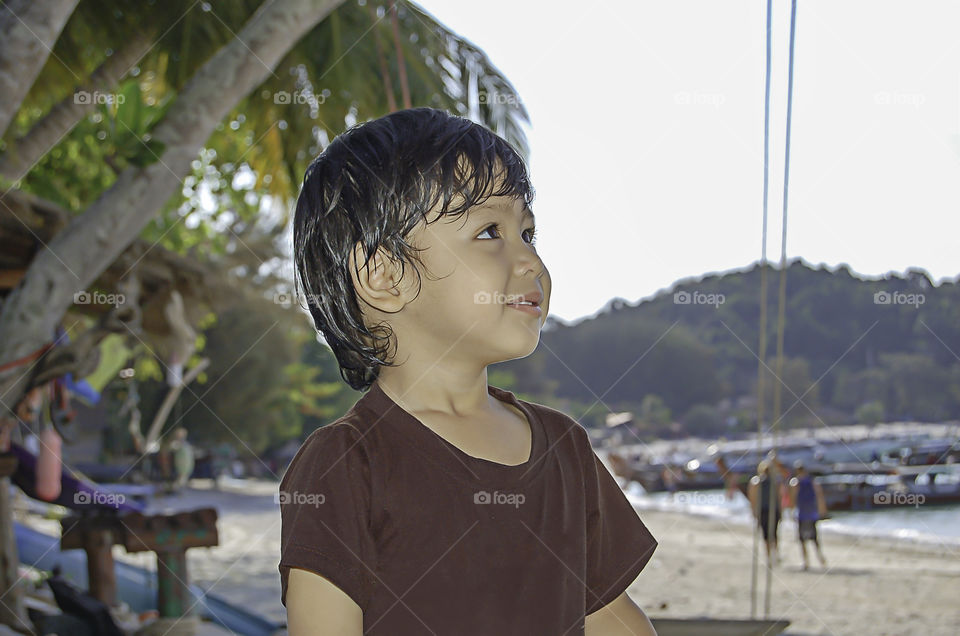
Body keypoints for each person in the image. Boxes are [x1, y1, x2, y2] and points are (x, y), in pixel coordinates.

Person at [279, 108, 658, 635]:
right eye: (489, 232)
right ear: (384, 275)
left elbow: (610, 617)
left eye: (528, 232)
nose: (530, 261)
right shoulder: (347, 465)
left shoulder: (562, 447)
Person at [789, 460, 828, 570]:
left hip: (803, 513)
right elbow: (819, 496)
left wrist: (792, 511)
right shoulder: (812, 482)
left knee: (803, 540)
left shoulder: (795, 482)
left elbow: (792, 498)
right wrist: (822, 510)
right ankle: (820, 559)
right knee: (815, 539)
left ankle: (806, 561)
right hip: (811, 513)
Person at [748, 459, 782, 566]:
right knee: (773, 534)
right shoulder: (774, 481)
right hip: (771, 510)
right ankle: (774, 554)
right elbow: (779, 497)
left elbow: (752, 498)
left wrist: (753, 511)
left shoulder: (757, 481)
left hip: (764, 510)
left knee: (767, 535)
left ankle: (769, 556)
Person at [169, 427, 194, 492]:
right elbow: (172, 447)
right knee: (181, 479)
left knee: (182, 479)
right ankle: (176, 490)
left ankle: (177, 489)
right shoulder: (180, 444)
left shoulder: (185, 445)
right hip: (181, 466)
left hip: (185, 466)